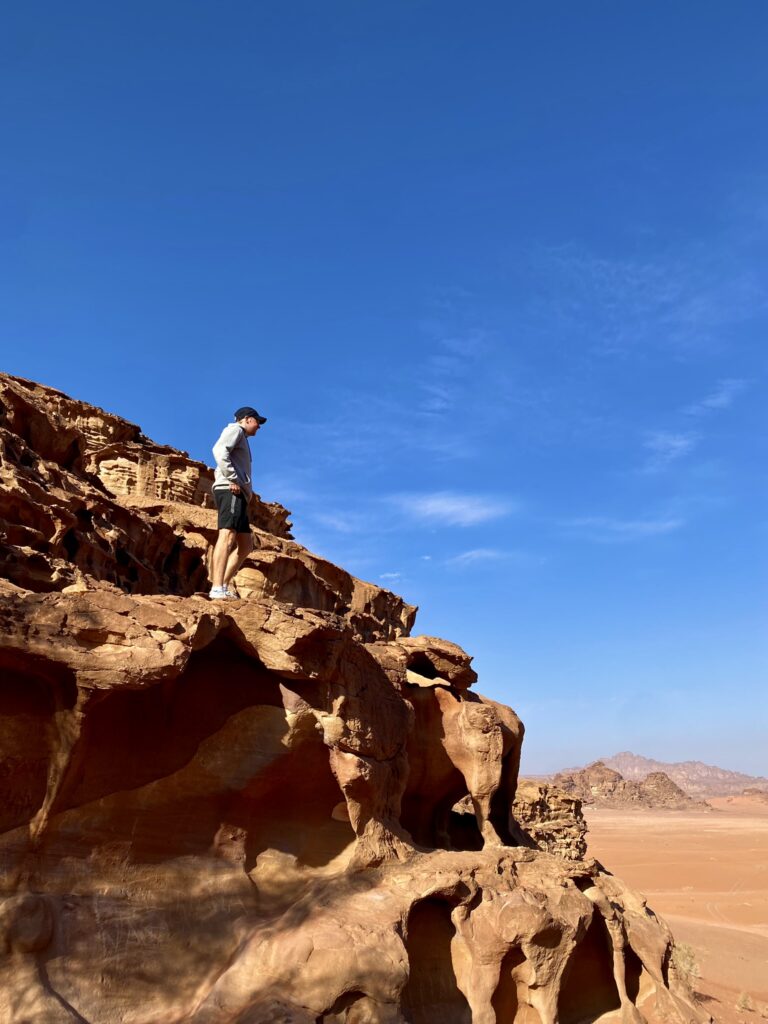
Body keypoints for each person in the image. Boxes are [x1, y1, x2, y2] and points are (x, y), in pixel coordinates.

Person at [209, 405, 266, 599]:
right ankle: (217, 587)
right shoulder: (235, 430)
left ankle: (223, 585)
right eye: (258, 422)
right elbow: (218, 450)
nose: (259, 426)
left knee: (246, 545)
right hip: (229, 488)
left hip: (238, 493)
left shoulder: (241, 436)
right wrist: (233, 478)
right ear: (248, 419)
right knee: (227, 535)